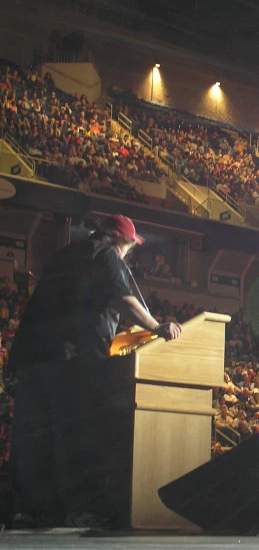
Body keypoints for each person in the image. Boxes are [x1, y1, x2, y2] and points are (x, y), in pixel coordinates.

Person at [7, 214, 182, 528]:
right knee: (70, 434)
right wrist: (157, 327)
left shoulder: (66, 252)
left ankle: (27, 509)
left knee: (31, 436)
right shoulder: (106, 255)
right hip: (69, 359)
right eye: (130, 245)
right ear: (121, 240)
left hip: (32, 355)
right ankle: (73, 510)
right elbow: (124, 299)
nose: (130, 251)